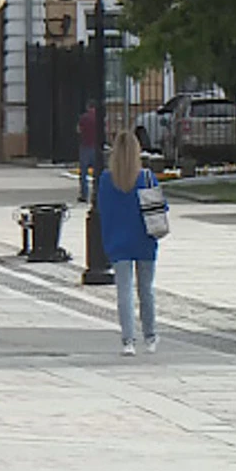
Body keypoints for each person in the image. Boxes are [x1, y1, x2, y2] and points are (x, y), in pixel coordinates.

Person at [98, 130, 162, 355]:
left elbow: (103, 212)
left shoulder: (106, 180)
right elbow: (160, 208)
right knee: (146, 290)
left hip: (118, 241)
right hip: (144, 239)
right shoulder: (146, 178)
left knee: (124, 292)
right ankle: (151, 336)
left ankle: (128, 340)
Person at [76, 103, 100, 204]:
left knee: (84, 172)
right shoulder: (99, 118)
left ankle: (84, 195)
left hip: (85, 146)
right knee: (97, 172)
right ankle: (96, 194)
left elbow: (78, 130)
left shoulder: (84, 118)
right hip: (96, 147)